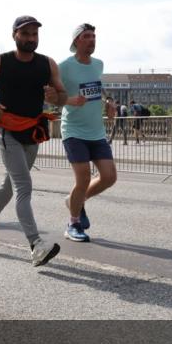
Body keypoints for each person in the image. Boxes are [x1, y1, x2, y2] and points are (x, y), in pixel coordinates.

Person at [0, 15, 66, 267]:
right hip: (7, 130)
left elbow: (62, 97)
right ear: (14, 35)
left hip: (32, 131)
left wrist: (55, 95)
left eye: (34, 34)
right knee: (24, 186)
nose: (30, 38)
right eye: (25, 34)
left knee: (10, 185)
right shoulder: (0, 62)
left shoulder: (47, 64)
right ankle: (36, 245)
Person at [59, 24, 118, 243]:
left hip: (96, 131)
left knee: (109, 177)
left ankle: (74, 200)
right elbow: (50, 95)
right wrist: (69, 100)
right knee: (83, 176)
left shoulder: (98, 64)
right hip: (73, 129)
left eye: (94, 36)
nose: (92, 40)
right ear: (76, 42)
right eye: (86, 36)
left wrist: (109, 102)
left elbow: (96, 87)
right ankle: (73, 223)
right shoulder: (63, 66)